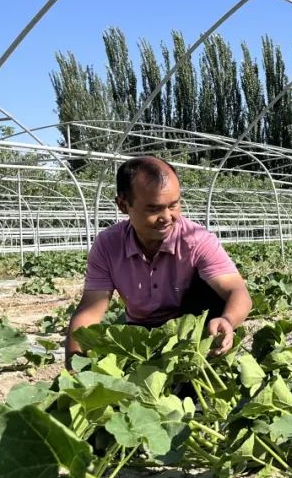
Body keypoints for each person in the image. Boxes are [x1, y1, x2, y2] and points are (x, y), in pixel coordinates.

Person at [65, 156, 252, 366]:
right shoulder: (108, 245)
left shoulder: (197, 239)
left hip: (191, 330)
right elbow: (90, 310)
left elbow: (238, 292)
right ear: (123, 205)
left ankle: (205, 364)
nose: (167, 217)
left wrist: (227, 320)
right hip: (141, 334)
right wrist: (74, 367)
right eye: (153, 209)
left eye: (173, 205)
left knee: (210, 292)